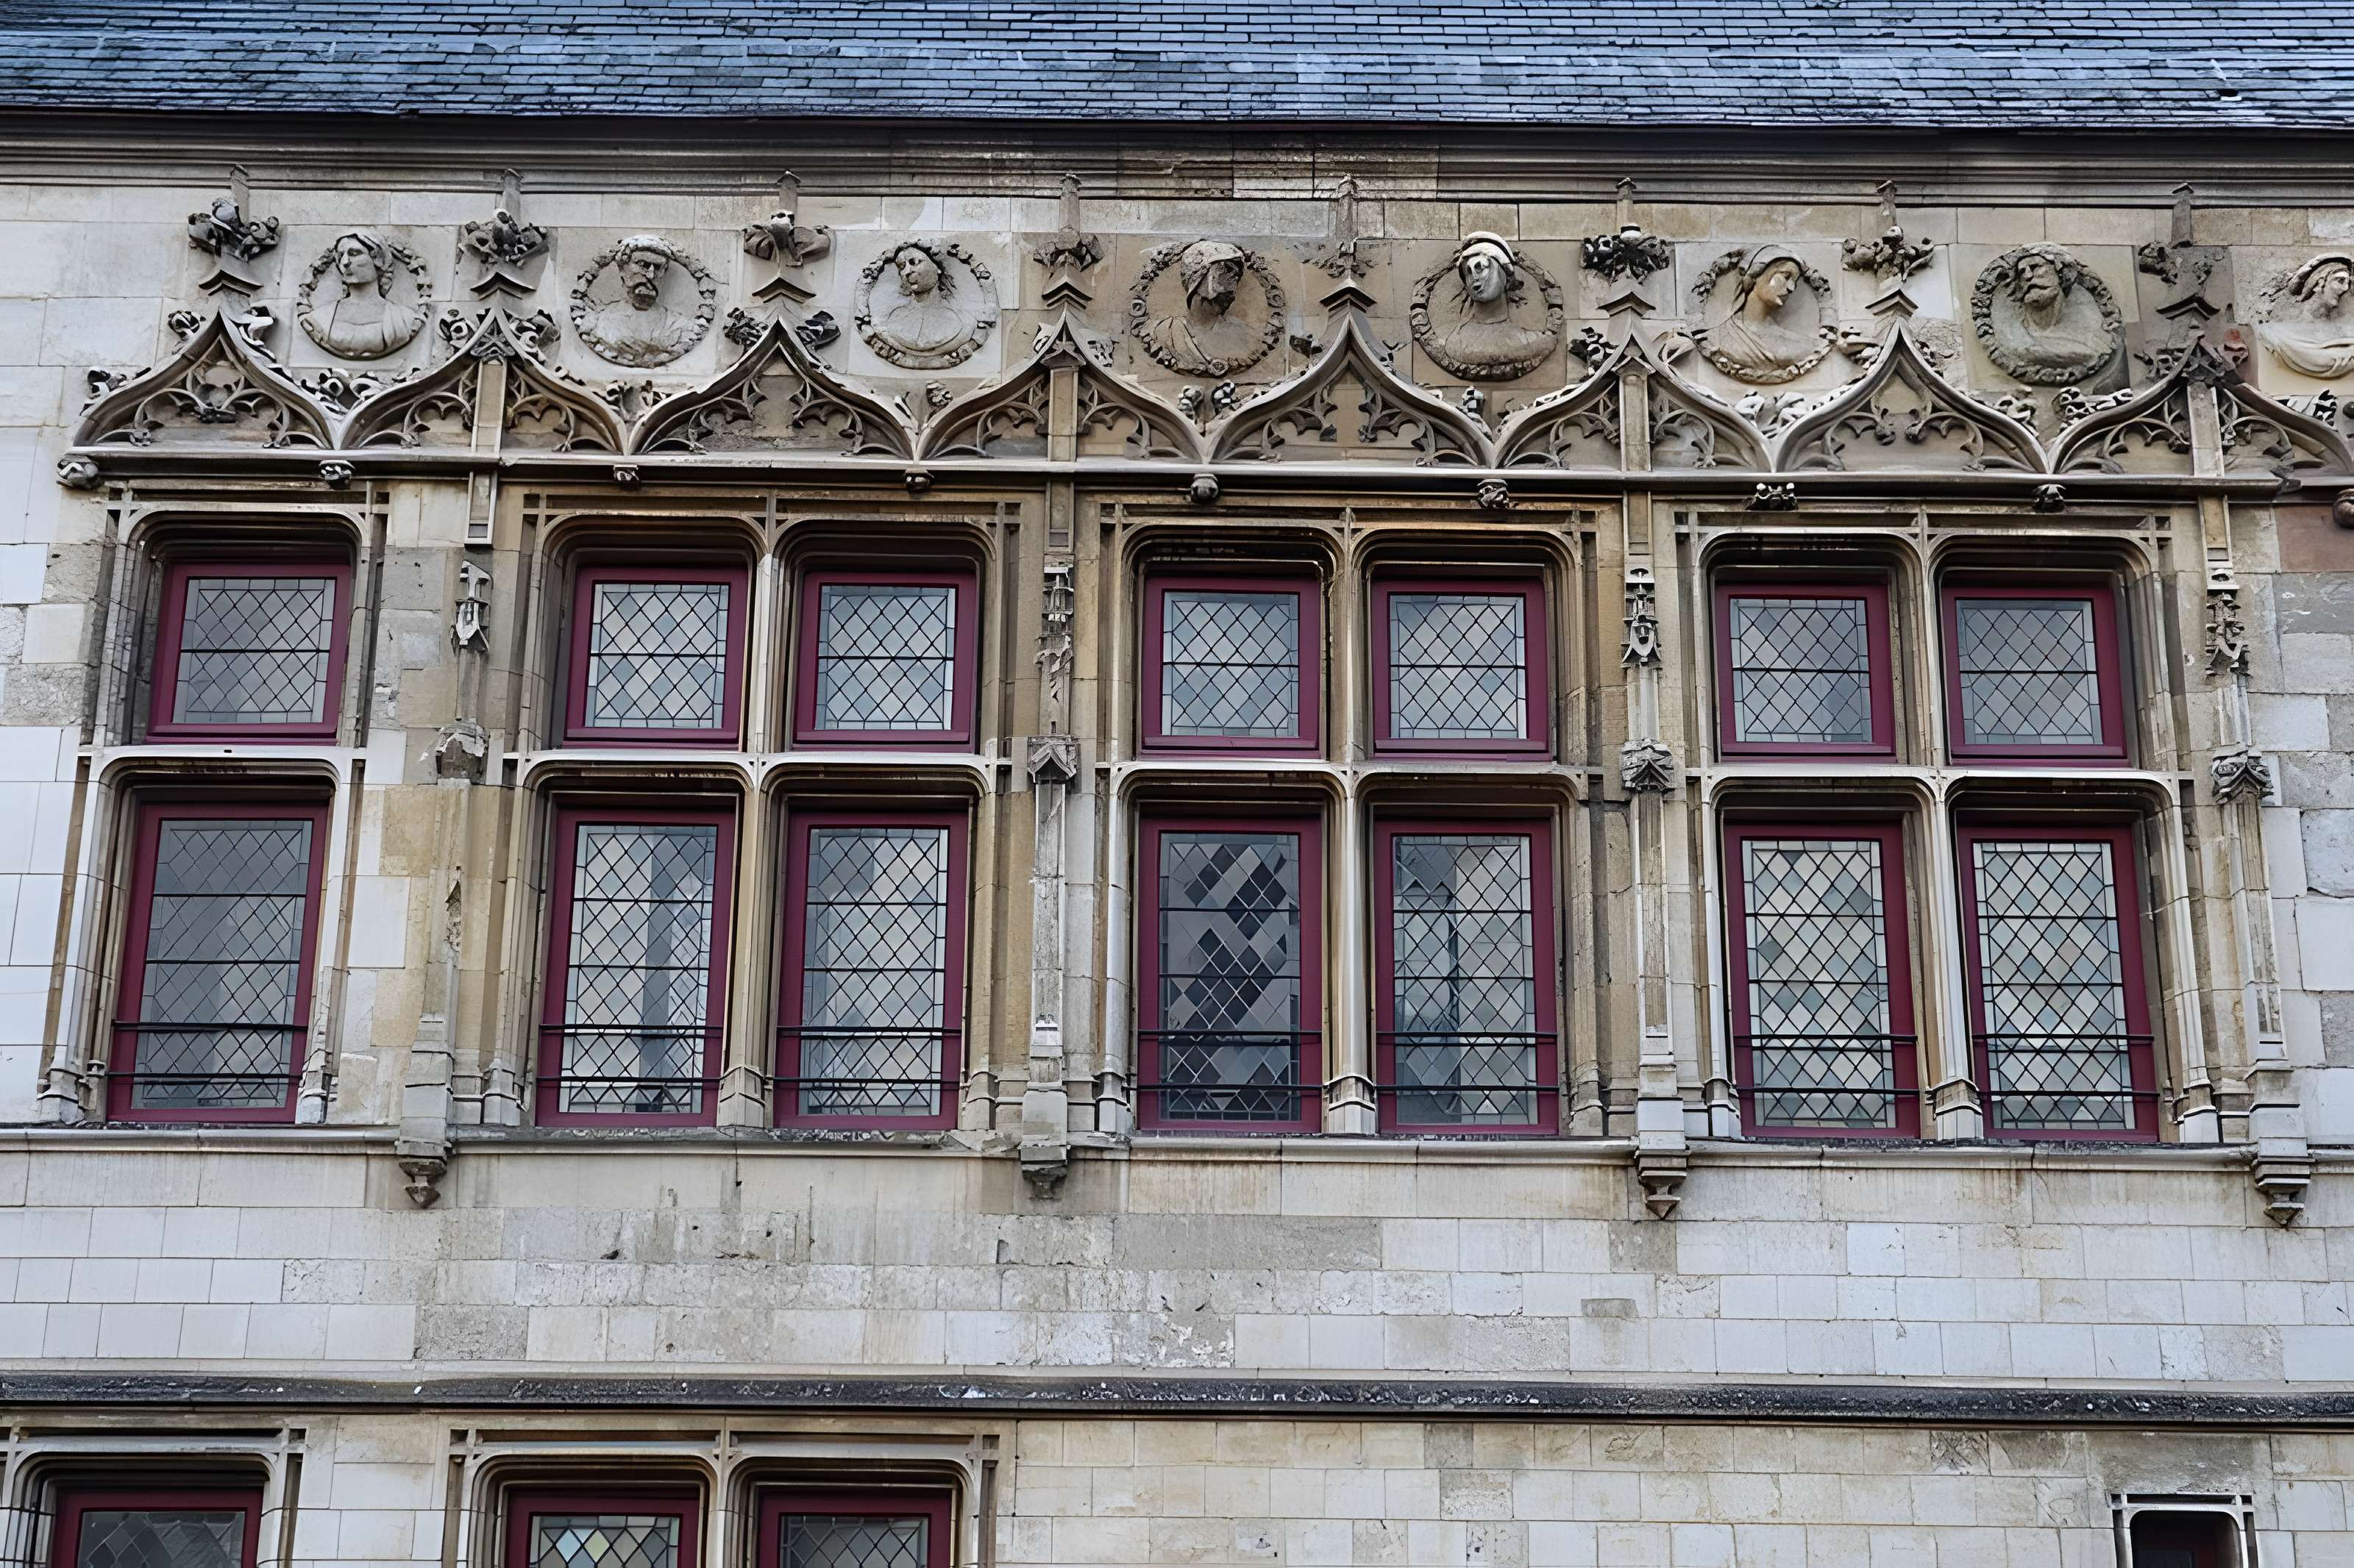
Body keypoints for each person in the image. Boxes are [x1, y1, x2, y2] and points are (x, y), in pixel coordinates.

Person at [1428, 232, 1554, 376]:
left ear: (1505, 275)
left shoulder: (1531, 340)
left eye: (1480, 268)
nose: (1474, 277)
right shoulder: (1456, 343)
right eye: (1468, 272)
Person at [1705, 245, 1819, 379]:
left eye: (1794, 282)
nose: (1791, 288)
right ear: (1757, 274)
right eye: (1786, 276)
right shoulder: (1715, 337)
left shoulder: (1804, 344)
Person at [305, 232, 422, 359]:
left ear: (378, 259)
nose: (345, 262)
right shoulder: (319, 317)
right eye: (340, 256)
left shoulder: (405, 319)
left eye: (354, 254)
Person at [1145, 239, 1254, 371]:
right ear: (1199, 277)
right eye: (1225, 271)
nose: (1232, 286)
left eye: (1236, 277)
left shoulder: (1242, 332)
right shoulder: (1162, 332)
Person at [2260, 255, 2354, 379]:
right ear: (2318, 283)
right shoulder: (2279, 333)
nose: (2345, 288)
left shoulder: (2342, 332)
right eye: (2340, 281)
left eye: (2348, 283)